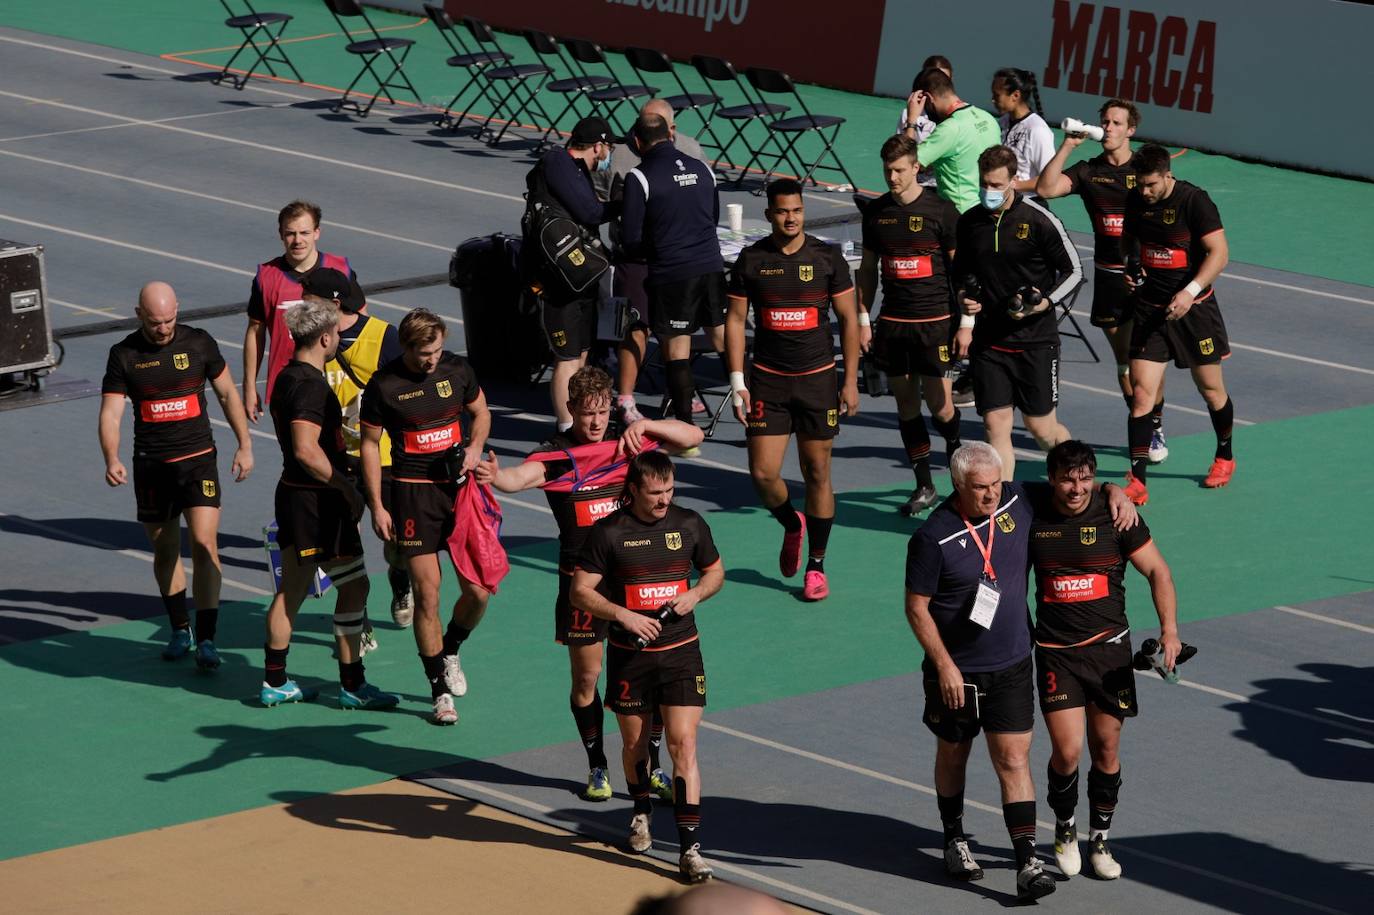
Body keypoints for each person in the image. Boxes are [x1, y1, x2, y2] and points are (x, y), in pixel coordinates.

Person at [903, 441, 1137, 900]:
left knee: (1013, 758)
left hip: (1011, 664)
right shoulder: (933, 537)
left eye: (995, 484)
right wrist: (944, 666)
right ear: (957, 485)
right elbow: (916, 608)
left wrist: (1114, 489)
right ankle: (954, 836)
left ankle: (1026, 861)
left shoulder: (1016, 498)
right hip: (957, 672)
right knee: (954, 753)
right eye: (980, 488)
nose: (991, 494)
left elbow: (1070, 485)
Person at [475, 367, 701, 801]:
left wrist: (646, 423)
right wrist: (494, 477)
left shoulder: (628, 444)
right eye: (587, 413)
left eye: (602, 412)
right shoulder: (556, 456)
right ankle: (598, 764)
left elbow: (693, 437)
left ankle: (650, 763)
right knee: (587, 679)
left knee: (649, 677)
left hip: (634, 583)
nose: (596, 422)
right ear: (571, 410)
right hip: (582, 588)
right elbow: (518, 479)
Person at [1026, 440, 1180, 880]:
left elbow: (1158, 571)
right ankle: (1065, 827)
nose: (1077, 488)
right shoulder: (1033, 510)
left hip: (1110, 652)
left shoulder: (1117, 516)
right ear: (1051, 479)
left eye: (1086, 478)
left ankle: (1100, 840)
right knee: (1068, 752)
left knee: (1107, 749)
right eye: (1067, 479)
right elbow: (994, 485)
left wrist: (1169, 630)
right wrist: (1117, 484)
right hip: (1057, 654)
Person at [571, 451, 724, 883]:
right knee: (636, 746)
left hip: (681, 653)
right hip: (630, 657)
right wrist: (622, 614)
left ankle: (690, 849)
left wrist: (695, 595)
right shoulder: (608, 533)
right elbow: (580, 593)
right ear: (634, 489)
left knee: (683, 745)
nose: (663, 500)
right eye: (655, 493)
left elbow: (715, 572)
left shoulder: (690, 523)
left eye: (669, 490)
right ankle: (640, 812)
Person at [99, 281, 254, 669]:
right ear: (139, 316)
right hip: (151, 467)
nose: (164, 328)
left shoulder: (199, 343)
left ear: (177, 311)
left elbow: (227, 395)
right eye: (155, 323)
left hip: (198, 461)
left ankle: (207, 638)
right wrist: (111, 456)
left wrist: (245, 444)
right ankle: (179, 628)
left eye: (169, 320)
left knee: (204, 544)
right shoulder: (123, 355)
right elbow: (111, 413)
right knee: (166, 550)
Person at [261, 295, 399, 710]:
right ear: (324, 337)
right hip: (317, 503)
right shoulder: (309, 386)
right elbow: (306, 449)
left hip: (295, 496)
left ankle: (275, 681)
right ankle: (353, 684)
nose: (341, 337)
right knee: (355, 586)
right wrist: (345, 486)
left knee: (294, 589)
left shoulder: (287, 377)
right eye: (338, 333)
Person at [726, 178, 861, 599]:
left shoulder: (827, 258)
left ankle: (816, 566)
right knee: (763, 474)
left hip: (819, 380)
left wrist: (850, 379)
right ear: (769, 214)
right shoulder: (751, 260)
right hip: (768, 380)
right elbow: (734, 321)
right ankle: (791, 523)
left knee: (817, 473)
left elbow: (849, 319)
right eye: (783, 211)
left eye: (797, 210)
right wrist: (737, 383)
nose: (791, 218)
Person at [359, 309, 492, 725]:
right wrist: (378, 505)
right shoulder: (384, 385)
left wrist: (474, 448)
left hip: (459, 492)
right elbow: (368, 444)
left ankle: (451, 646)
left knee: (479, 592)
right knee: (429, 594)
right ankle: (438, 691)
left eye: (436, 351)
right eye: (423, 354)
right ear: (407, 347)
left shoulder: (457, 369)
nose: (431, 360)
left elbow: (482, 413)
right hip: (412, 496)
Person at [1037, 99, 1169, 464]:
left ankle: (1151, 425)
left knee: (1146, 361)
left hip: (1147, 280)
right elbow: (1047, 189)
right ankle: (1148, 421)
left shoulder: (1145, 172)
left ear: (1131, 130)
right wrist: (1067, 145)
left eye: (1116, 123)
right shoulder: (1088, 171)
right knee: (1125, 363)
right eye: (1105, 122)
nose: (1108, 128)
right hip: (1109, 278)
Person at [954, 145, 1082, 479]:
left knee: (1041, 428)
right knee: (995, 425)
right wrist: (965, 301)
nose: (988, 191)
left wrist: (1045, 302)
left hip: (1036, 342)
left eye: (996, 185)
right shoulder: (969, 223)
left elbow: (1075, 272)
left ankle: (1079, 478)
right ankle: (1003, 505)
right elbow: (961, 276)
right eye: (984, 183)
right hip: (990, 344)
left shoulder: (1039, 220)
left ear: (1013, 181)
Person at [1119, 143, 1235, 504]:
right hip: (1151, 311)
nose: (1145, 191)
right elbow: (1130, 241)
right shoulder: (1137, 200)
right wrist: (1131, 265)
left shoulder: (1194, 201)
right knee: (1141, 395)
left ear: (1168, 175)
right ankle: (1137, 480)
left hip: (1195, 311)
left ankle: (1224, 456)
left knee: (1211, 390)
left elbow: (1220, 253)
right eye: (1140, 184)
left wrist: (1190, 291)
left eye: (1151, 184)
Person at [857, 136, 964, 515]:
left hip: (935, 323)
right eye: (887, 170)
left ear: (917, 167)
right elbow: (868, 270)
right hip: (894, 324)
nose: (892, 177)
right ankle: (924, 485)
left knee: (941, 406)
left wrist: (964, 322)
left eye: (900, 170)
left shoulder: (941, 210)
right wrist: (861, 319)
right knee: (906, 406)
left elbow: (960, 272)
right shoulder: (877, 214)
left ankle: (959, 476)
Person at [304, 267, 414, 629]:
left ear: (334, 303)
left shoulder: (384, 337)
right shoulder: (311, 340)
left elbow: (407, 393)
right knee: (343, 546)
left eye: (310, 298)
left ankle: (400, 584)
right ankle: (358, 618)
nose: (303, 304)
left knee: (395, 540)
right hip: (337, 461)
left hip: (383, 459)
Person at [595, 98, 711, 427]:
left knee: (678, 329)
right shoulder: (619, 154)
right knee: (636, 326)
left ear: (672, 129)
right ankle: (626, 398)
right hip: (636, 258)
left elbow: (705, 196)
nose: (644, 133)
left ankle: (678, 394)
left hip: (676, 257)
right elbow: (598, 199)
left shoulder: (691, 149)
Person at [620, 113, 725, 428]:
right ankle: (756, 406)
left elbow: (631, 239)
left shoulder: (639, 177)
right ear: (671, 135)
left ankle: (684, 427)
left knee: (677, 348)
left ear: (638, 143)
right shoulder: (704, 169)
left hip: (672, 272)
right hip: (711, 266)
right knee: (723, 338)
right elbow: (714, 216)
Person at [524, 116, 618, 429]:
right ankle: (566, 425)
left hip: (579, 276)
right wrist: (621, 204)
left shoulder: (568, 168)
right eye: (608, 147)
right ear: (598, 146)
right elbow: (590, 212)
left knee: (581, 354)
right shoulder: (559, 164)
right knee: (567, 357)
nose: (608, 155)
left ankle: (580, 419)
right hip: (560, 282)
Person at [242, 200, 363, 421]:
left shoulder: (341, 271)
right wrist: (249, 386)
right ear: (280, 234)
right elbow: (255, 332)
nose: (298, 240)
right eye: (291, 233)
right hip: (289, 384)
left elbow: (362, 324)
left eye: (305, 232)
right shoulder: (266, 278)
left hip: (337, 381)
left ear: (317, 232)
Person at [909, 67, 1000, 214]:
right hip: (987, 212)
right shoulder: (988, 118)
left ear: (929, 98)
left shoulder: (949, 129)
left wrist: (911, 121)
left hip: (958, 216)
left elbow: (905, 164)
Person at [990, 68, 1055, 197]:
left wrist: (1014, 185)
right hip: (1002, 202)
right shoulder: (1001, 123)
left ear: (1015, 96)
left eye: (997, 95)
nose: (992, 100)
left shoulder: (1037, 130)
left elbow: (1050, 180)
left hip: (1027, 205)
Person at [898, 54, 952, 191]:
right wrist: (911, 121)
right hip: (915, 185)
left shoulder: (958, 116)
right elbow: (902, 157)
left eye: (944, 80)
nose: (938, 85)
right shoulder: (909, 114)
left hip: (944, 187)